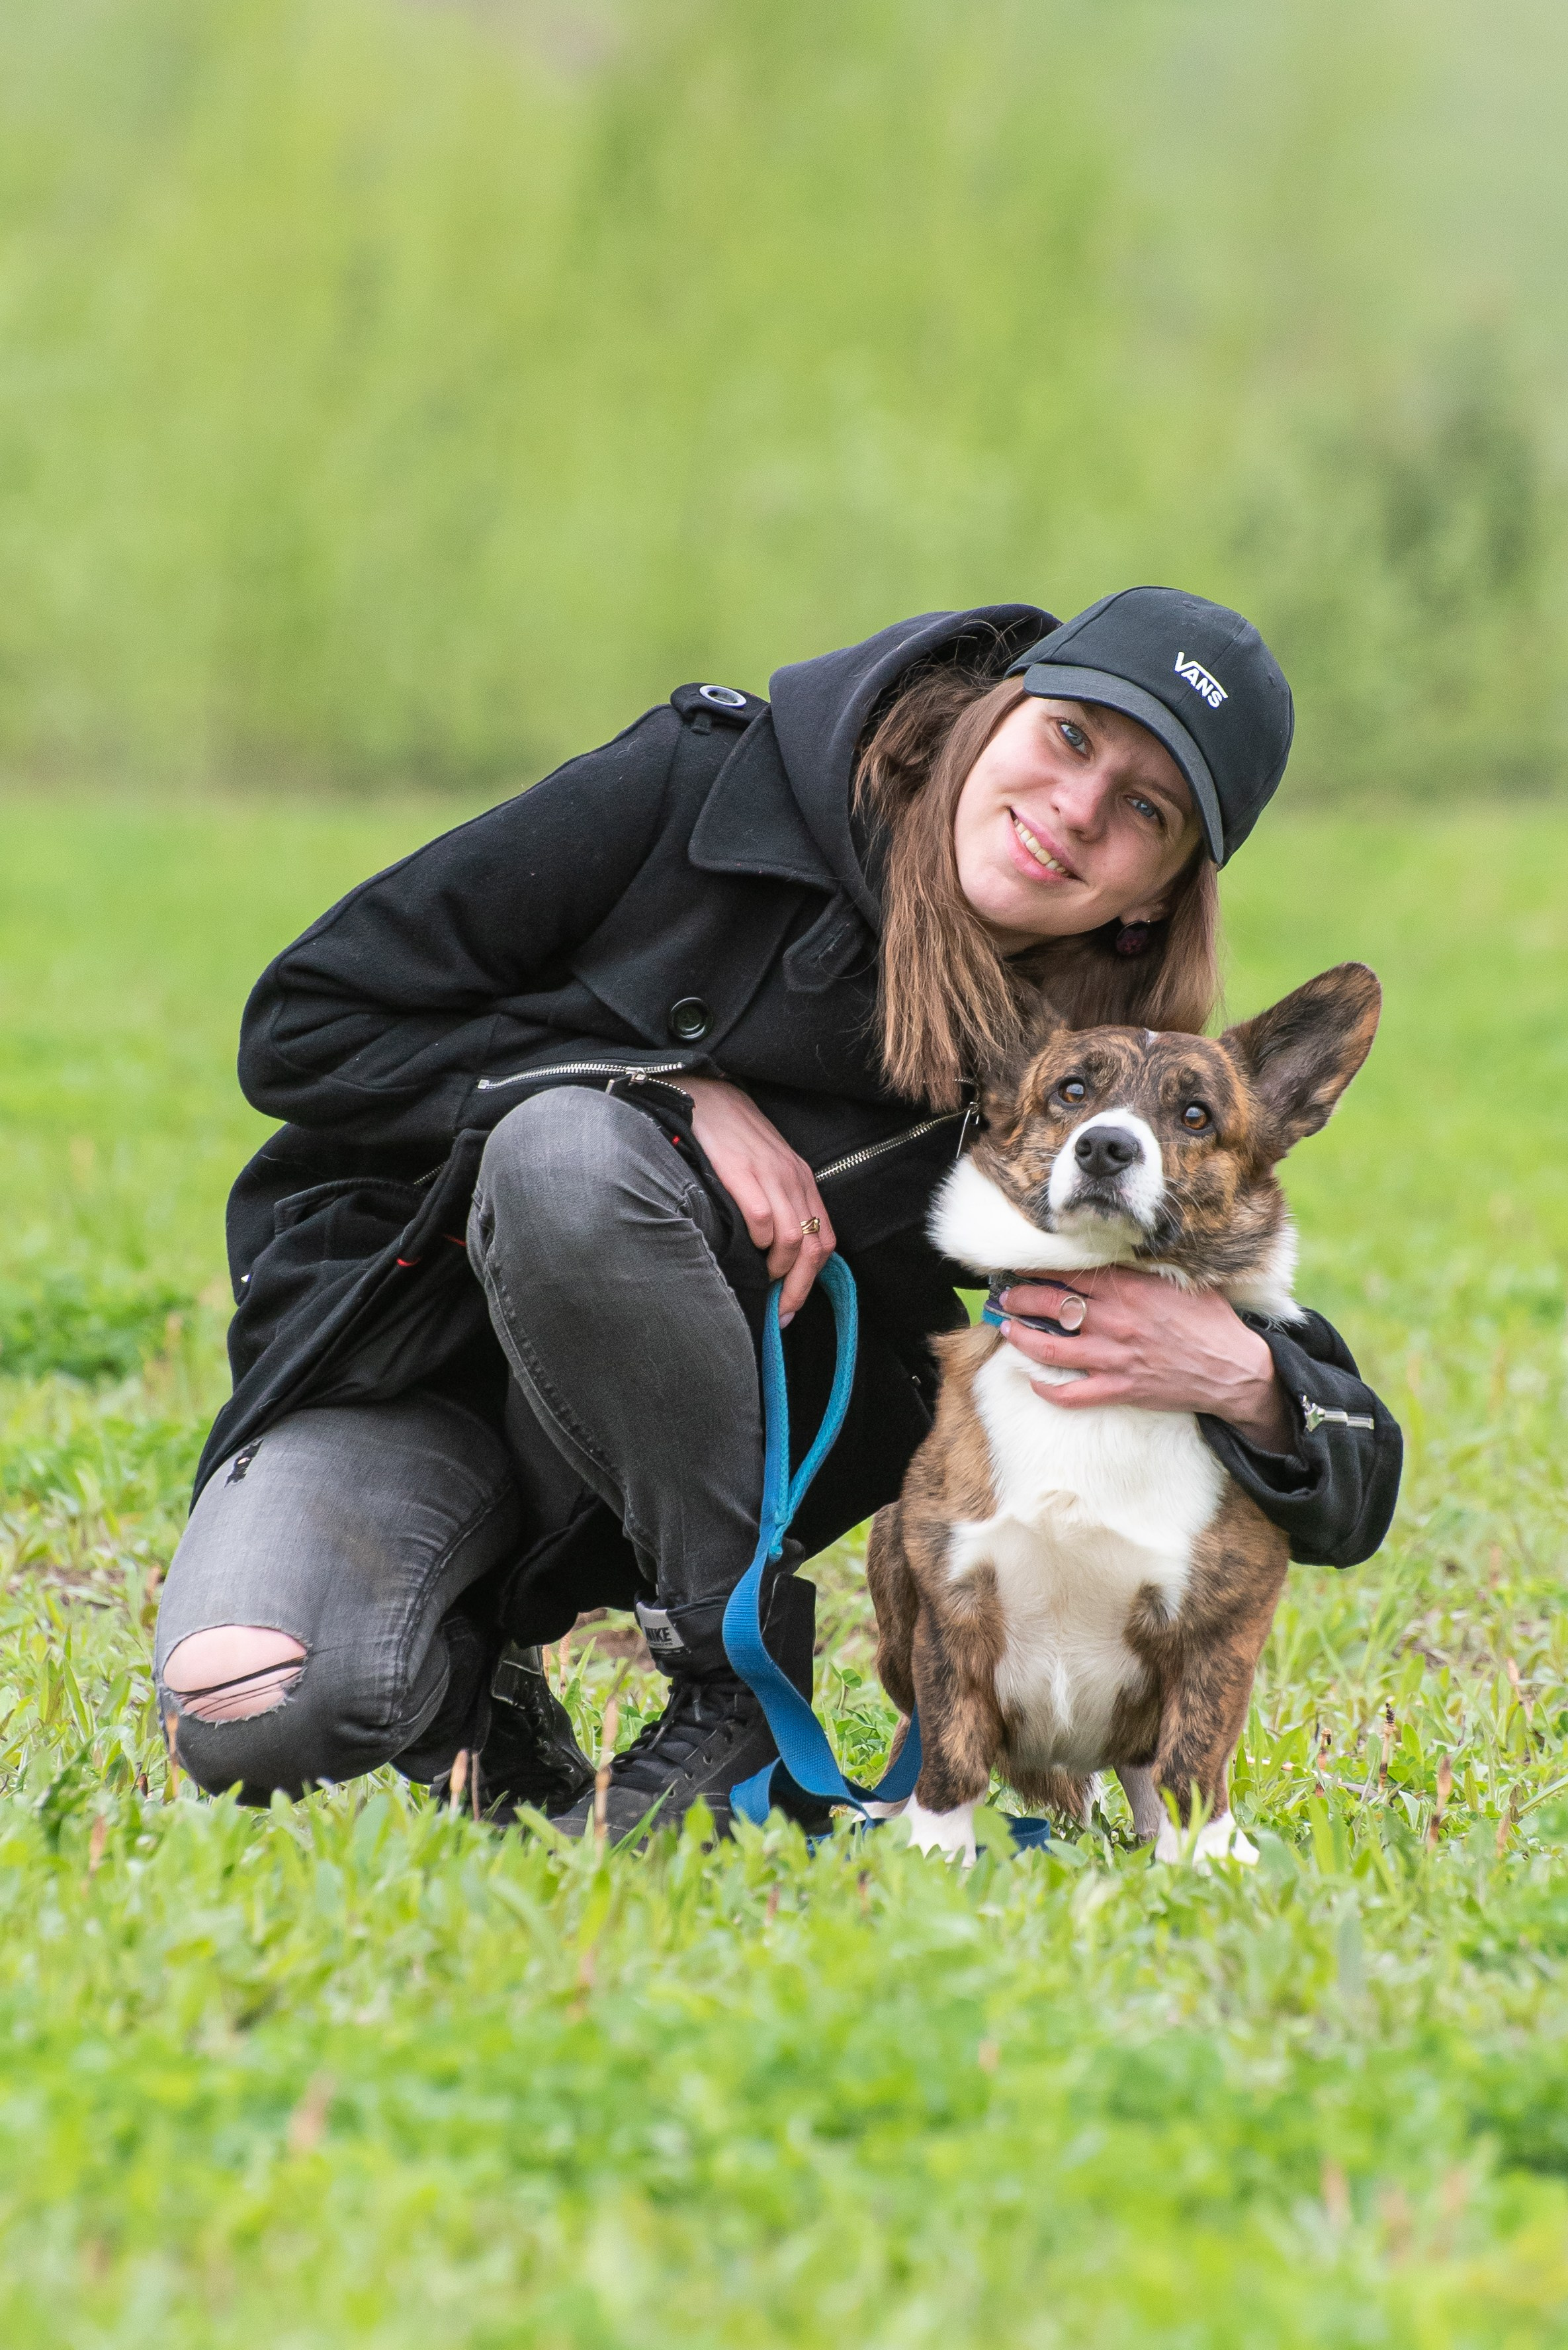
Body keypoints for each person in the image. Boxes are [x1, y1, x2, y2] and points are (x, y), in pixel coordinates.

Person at [155, 588, 1401, 1836]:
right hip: (405, 1367)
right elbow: (304, 1026)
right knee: (254, 1710)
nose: (1077, 809)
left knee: (576, 1161)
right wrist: (656, 1085)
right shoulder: (695, 787)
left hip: (677, 1462)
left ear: (1157, 894)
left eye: (1146, 810)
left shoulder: (1072, 1078)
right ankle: (468, 1675)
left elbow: (1293, 1391)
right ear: (998, 709)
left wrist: (1253, 1383)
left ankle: (728, 1688)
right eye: (1071, 736)